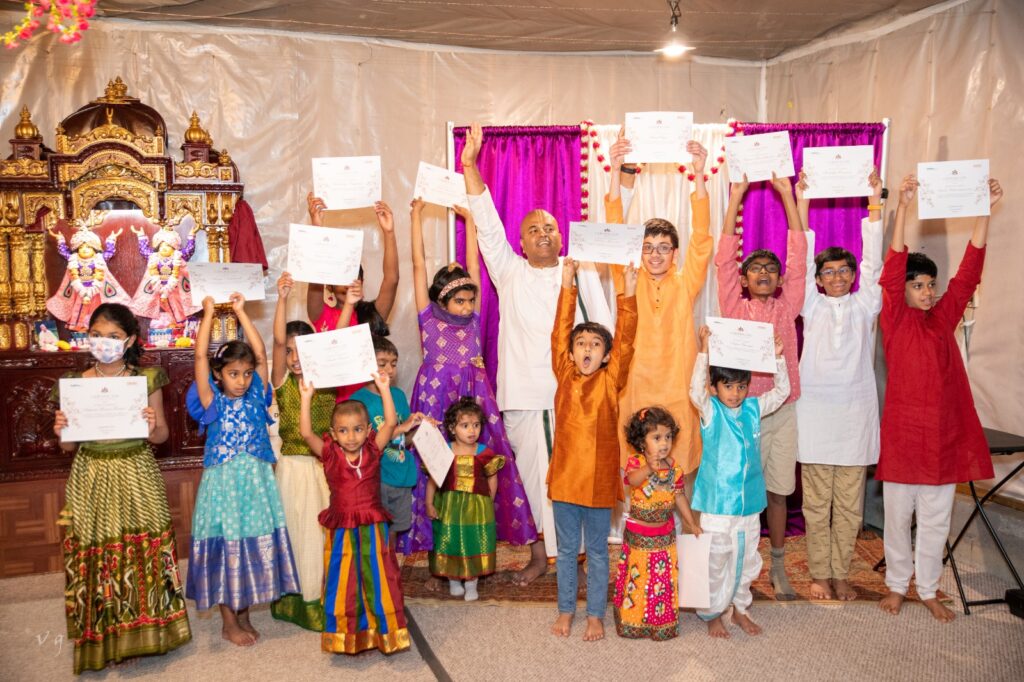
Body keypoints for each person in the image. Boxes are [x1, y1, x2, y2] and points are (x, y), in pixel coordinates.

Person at [461, 122, 612, 584]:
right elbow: (487, 226)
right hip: (525, 396)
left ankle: (579, 555)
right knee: (531, 481)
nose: (542, 232)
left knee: (578, 476)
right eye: (532, 229)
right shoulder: (509, 273)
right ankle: (541, 555)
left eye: (549, 226)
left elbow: (603, 328)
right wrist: (469, 165)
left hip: (576, 398)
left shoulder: (580, 272)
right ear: (521, 243)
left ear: (561, 238)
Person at [875, 174, 1002, 623]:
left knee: (935, 519)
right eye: (919, 285)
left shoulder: (945, 316)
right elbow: (893, 268)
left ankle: (927, 588)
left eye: (931, 285)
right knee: (897, 517)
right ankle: (895, 585)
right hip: (904, 435)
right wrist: (904, 207)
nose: (927, 292)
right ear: (903, 291)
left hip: (944, 437)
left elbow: (969, 273)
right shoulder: (893, 316)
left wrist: (983, 208)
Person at [51, 303, 191, 673]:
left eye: (113, 336)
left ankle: (147, 632)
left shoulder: (145, 380)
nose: (104, 342)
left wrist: (150, 424)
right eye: (96, 334)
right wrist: (62, 428)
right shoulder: (76, 383)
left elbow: (160, 436)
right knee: (97, 552)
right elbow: (67, 447)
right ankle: (103, 633)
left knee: (144, 549)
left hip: (136, 470)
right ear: (87, 336)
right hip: (91, 474)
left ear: (129, 340)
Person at [403, 196, 537, 557]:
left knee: (480, 466)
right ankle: (432, 548)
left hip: (472, 396)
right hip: (433, 396)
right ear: (441, 301)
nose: (465, 307)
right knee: (432, 467)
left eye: (468, 300)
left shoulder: (475, 320)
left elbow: (475, 270)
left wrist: (471, 223)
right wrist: (415, 216)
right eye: (458, 301)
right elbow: (418, 265)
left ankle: (476, 543)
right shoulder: (427, 319)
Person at [186, 293, 300, 646]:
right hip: (224, 488)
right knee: (227, 547)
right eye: (233, 374)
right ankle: (227, 621)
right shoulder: (213, 400)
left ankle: (245, 613)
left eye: (247, 374)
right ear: (219, 375)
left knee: (251, 546)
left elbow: (264, 353)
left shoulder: (257, 396)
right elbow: (200, 359)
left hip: (255, 485)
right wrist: (208, 315)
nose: (242, 380)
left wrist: (240, 312)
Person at [715, 171, 806, 600]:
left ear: (780, 279)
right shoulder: (735, 306)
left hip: (782, 408)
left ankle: (779, 566)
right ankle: (739, 563)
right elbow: (722, 261)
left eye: (772, 268)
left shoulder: (789, 306)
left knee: (777, 490)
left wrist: (787, 196)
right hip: (740, 411)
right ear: (746, 279)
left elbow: (800, 254)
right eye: (756, 269)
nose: (764, 273)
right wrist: (737, 197)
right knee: (741, 488)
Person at [794, 168, 884, 601]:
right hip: (814, 415)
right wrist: (804, 200)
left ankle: (842, 572)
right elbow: (802, 247)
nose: (837, 277)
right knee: (816, 504)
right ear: (817, 280)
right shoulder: (809, 305)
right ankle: (818, 572)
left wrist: (875, 202)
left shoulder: (867, 303)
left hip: (854, 416)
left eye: (844, 271)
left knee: (850, 505)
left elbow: (875, 262)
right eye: (828, 272)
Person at [605, 130, 714, 476]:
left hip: (677, 386)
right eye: (648, 246)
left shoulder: (685, 283)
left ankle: (679, 529)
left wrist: (699, 174)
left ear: (675, 253)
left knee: (678, 468)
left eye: (663, 247)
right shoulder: (628, 278)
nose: (655, 254)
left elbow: (701, 240)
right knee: (635, 464)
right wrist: (615, 169)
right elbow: (614, 226)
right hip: (635, 385)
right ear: (637, 251)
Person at [549, 257, 638, 642]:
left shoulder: (611, 378)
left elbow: (628, 339)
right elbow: (559, 331)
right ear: (571, 353)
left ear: (605, 355)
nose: (587, 348)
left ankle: (596, 615)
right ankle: (566, 610)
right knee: (567, 552)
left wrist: (628, 294)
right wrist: (567, 283)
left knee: (599, 552)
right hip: (567, 481)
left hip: (600, 483)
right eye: (581, 343)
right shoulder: (565, 373)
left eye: (595, 344)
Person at [297, 372, 410, 655]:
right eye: (344, 431)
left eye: (358, 429)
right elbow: (306, 434)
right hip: (342, 528)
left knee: (379, 577)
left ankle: (384, 632)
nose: (351, 436)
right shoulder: (330, 454)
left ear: (368, 430)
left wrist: (385, 389)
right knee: (344, 579)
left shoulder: (373, 449)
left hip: (373, 525)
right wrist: (306, 398)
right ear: (334, 434)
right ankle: (348, 635)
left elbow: (392, 424)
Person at [689, 325, 790, 638]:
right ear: (716, 387)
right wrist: (704, 351)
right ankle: (712, 613)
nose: (735, 393)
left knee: (746, 558)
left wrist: (778, 359)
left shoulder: (752, 408)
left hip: (748, 502)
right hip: (718, 504)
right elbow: (694, 391)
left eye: (741, 386)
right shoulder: (710, 410)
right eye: (728, 386)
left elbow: (782, 393)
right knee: (716, 559)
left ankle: (740, 608)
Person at [268, 272, 336, 631]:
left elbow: (338, 339)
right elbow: (278, 344)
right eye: (291, 351)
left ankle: (325, 598)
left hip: (325, 466)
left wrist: (351, 304)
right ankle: (296, 603)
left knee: (322, 533)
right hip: (292, 469)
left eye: (302, 351)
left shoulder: (325, 378)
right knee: (297, 533)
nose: (295, 358)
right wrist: (282, 298)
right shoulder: (282, 380)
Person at [614, 407, 700, 641]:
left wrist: (691, 523)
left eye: (668, 437)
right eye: (657, 438)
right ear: (641, 442)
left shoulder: (675, 469)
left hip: (664, 536)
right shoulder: (636, 463)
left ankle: (661, 623)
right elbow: (631, 480)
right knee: (639, 580)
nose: (664, 443)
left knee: (661, 582)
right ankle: (634, 622)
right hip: (639, 536)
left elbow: (680, 497)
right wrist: (648, 468)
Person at [304, 195, 399, 401]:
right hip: (334, 408)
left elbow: (391, 279)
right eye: (342, 277)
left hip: (372, 406)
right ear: (328, 285)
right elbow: (315, 275)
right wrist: (317, 228)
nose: (348, 284)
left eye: (353, 278)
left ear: (361, 283)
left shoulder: (371, 315)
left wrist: (389, 233)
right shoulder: (321, 313)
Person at [351, 334, 427, 551]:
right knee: (375, 531)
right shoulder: (358, 401)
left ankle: (389, 571)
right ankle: (375, 573)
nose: (390, 370)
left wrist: (421, 429)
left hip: (401, 476)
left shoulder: (399, 395)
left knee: (393, 532)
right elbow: (366, 446)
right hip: (377, 478)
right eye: (382, 364)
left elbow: (405, 439)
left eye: (393, 364)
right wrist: (400, 429)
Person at [426, 397, 505, 601]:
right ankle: (453, 579)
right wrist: (429, 503)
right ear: (452, 428)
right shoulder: (444, 451)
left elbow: (492, 478)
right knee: (449, 540)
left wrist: (489, 501)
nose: (472, 431)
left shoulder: (484, 453)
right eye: (465, 425)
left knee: (475, 542)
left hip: (477, 507)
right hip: (449, 506)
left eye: (476, 425)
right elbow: (434, 479)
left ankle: (471, 583)